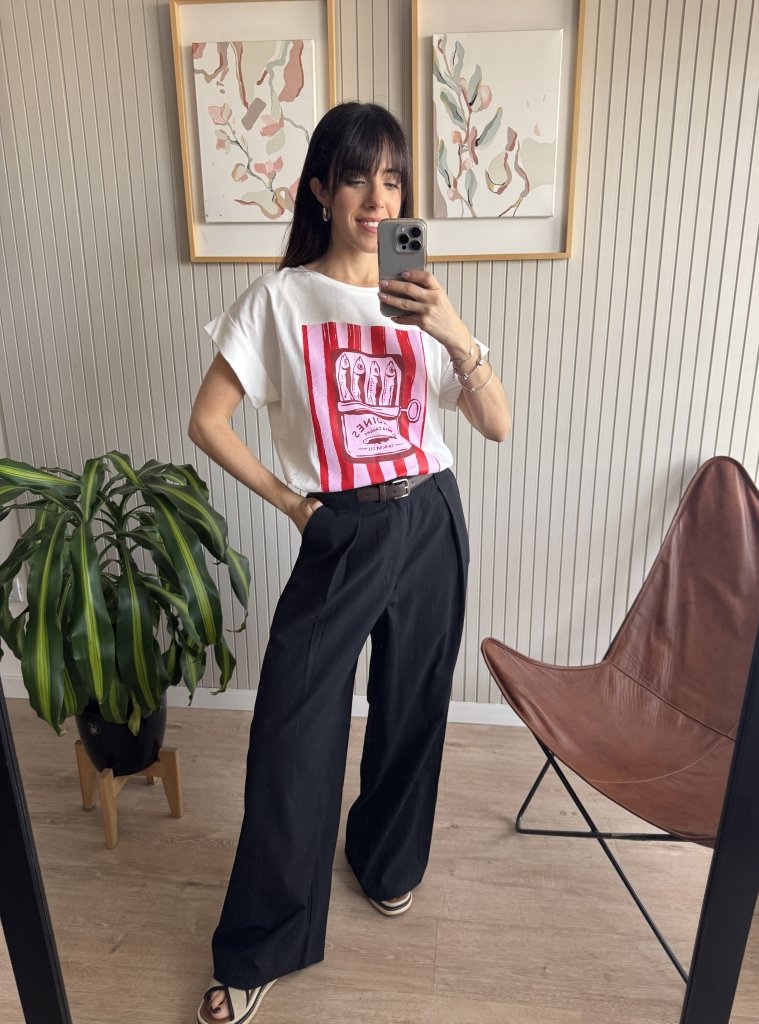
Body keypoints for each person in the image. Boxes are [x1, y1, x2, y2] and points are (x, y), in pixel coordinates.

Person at [189, 101, 511, 1024]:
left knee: (413, 707)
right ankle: (265, 941)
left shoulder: (418, 294)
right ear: (322, 189)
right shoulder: (278, 301)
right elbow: (207, 422)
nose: (378, 198)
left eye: (394, 180)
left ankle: (385, 858)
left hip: (430, 516)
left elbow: (496, 424)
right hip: (342, 527)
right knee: (293, 729)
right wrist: (298, 506)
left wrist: (453, 329)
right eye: (359, 177)